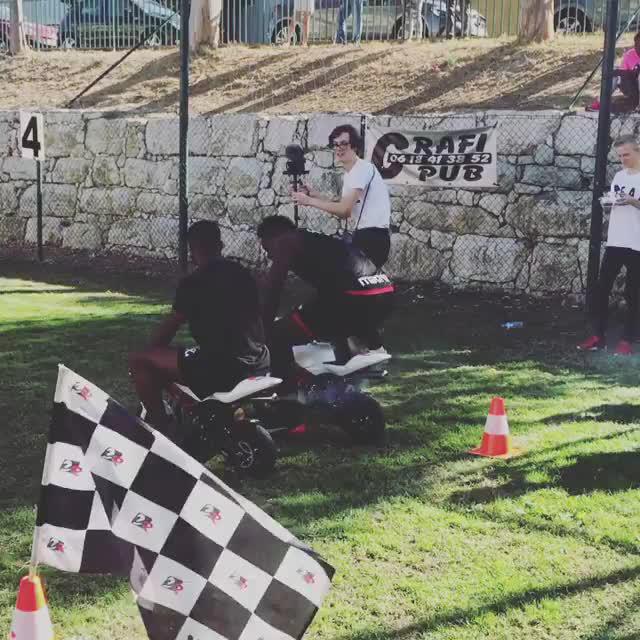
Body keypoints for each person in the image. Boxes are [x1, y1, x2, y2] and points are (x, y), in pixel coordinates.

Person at [129, 220, 269, 434]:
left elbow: (167, 331)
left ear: (192, 251)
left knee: (141, 360)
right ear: (220, 245)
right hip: (259, 358)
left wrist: (153, 351)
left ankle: (162, 429)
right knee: (185, 354)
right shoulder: (242, 273)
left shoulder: (193, 283)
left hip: (224, 367)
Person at [256, 215, 394, 383]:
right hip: (384, 291)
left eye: (267, 248)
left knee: (278, 334)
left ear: (274, 235)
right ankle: (364, 363)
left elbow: (274, 290)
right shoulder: (314, 240)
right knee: (327, 320)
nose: (270, 255)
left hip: (354, 297)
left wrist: (263, 329)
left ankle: (284, 389)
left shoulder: (285, 241)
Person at [291, 124, 392, 268]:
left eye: (344, 143)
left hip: (372, 239)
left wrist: (309, 201)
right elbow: (343, 203)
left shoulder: (361, 170)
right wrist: (315, 195)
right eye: (336, 144)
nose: (339, 148)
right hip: (368, 236)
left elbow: (344, 211)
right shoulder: (352, 173)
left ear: (355, 146)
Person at [577, 135, 640, 356]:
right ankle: (598, 336)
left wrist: (633, 201)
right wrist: (610, 201)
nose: (623, 159)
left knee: (633, 293)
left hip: (637, 243)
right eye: (620, 156)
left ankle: (627, 340)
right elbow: (614, 201)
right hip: (616, 241)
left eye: (627, 155)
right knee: (601, 288)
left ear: (637, 151)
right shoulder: (619, 175)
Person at [589, 32, 640, 113]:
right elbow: (622, 73)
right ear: (635, 44)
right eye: (637, 45)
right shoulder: (629, 54)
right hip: (631, 87)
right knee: (615, 75)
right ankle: (600, 102)